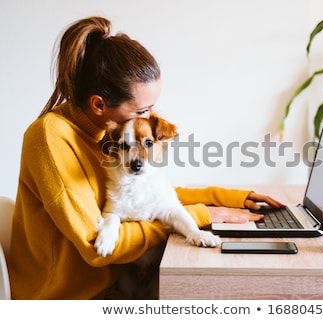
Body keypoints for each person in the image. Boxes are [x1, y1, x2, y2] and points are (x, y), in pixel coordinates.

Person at [8, 16, 284, 299]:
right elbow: (97, 247)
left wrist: (226, 197)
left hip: (116, 284)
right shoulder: (50, 137)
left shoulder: (106, 135)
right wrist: (201, 215)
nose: (150, 118)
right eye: (143, 110)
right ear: (99, 104)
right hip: (70, 299)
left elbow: (146, 197)